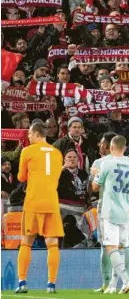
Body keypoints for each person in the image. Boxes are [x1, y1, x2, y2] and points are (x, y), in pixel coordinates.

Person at [14, 122, 64, 294]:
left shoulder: (27, 151)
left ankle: (22, 282)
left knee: (26, 242)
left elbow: (21, 177)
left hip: (34, 201)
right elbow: (56, 177)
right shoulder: (57, 153)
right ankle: (51, 284)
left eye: (29, 134)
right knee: (52, 244)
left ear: (36, 134)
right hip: (51, 200)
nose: (28, 136)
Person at [91, 136, 129, 294]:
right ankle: (114, 285)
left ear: (111, 147)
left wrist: (97, 174)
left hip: (109, 210)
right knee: (122, 248)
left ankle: (127, 281)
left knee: (110, 247)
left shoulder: (106, 163)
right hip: (125, 210)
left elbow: (95, 187)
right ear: (125, 148)